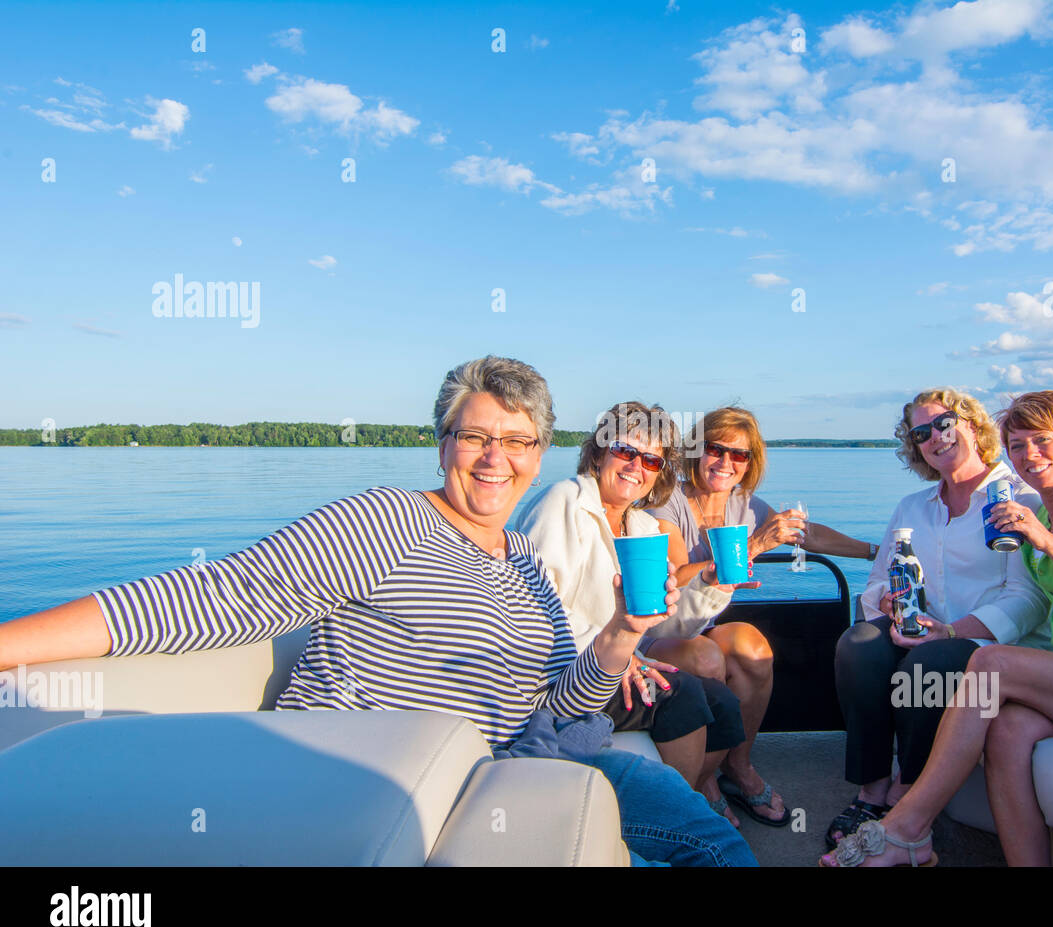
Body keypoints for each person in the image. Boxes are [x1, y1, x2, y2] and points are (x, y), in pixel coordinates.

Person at [0, 356, 756, 868]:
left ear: (540, 450)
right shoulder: (386, 520)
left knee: (711, 840)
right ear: (442, 444)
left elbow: (561, 698)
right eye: (476, 436)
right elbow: (210, 598)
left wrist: (622, 633)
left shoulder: (523, 561)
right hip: (382, 778)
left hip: (519, 764)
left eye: (519, 441)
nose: (497, 458)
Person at [820, 390, 1053, 867]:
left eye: (1042, 441)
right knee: (1006, 728)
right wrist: (901, 608)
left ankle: (908, 826)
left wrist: (1039, 543)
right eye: (1017, 445)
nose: (1028, 455)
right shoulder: (1040, 511)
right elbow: (883, 576)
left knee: (985, 662)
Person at [826, 389, 1050, 848]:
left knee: (929, 664)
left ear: (972, 425)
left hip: (989, 645)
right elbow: (876, 583)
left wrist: (950, 632)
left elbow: (1028, 599)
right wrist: (887, 602)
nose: (935, 437)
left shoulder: (1019, 499)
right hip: (922, 633)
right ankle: (871, 788)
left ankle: (909, 796)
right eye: (921, 433)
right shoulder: (913, 507)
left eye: (945, 423)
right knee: (859, 644)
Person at [516, 401, 748, 819]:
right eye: (625, 451)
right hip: (563, 672)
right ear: (599, 451)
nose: (635, 466)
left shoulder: (642, 529)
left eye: (651, 459)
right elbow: (534, 606)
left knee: (724, 705)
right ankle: (673, 821)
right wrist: (611, 654)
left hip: (618, 660)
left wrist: (710, 585)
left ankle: (688, 797)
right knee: (685, 695)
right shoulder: (564, 502)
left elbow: (665, 627)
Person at [647, 406, 877, 826]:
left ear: (751, 463)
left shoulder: (744, 504)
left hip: (703, 625)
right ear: (696, 450)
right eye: (716, 449)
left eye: (740, 455)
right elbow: (676, 580)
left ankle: (738, 766)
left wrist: (874, 552)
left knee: (755, 649)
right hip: (659, 632)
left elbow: (806, 533)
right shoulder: (666, 502)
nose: (726, 462)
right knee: (706, 659)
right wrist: (752, 546)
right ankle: (705, 780)